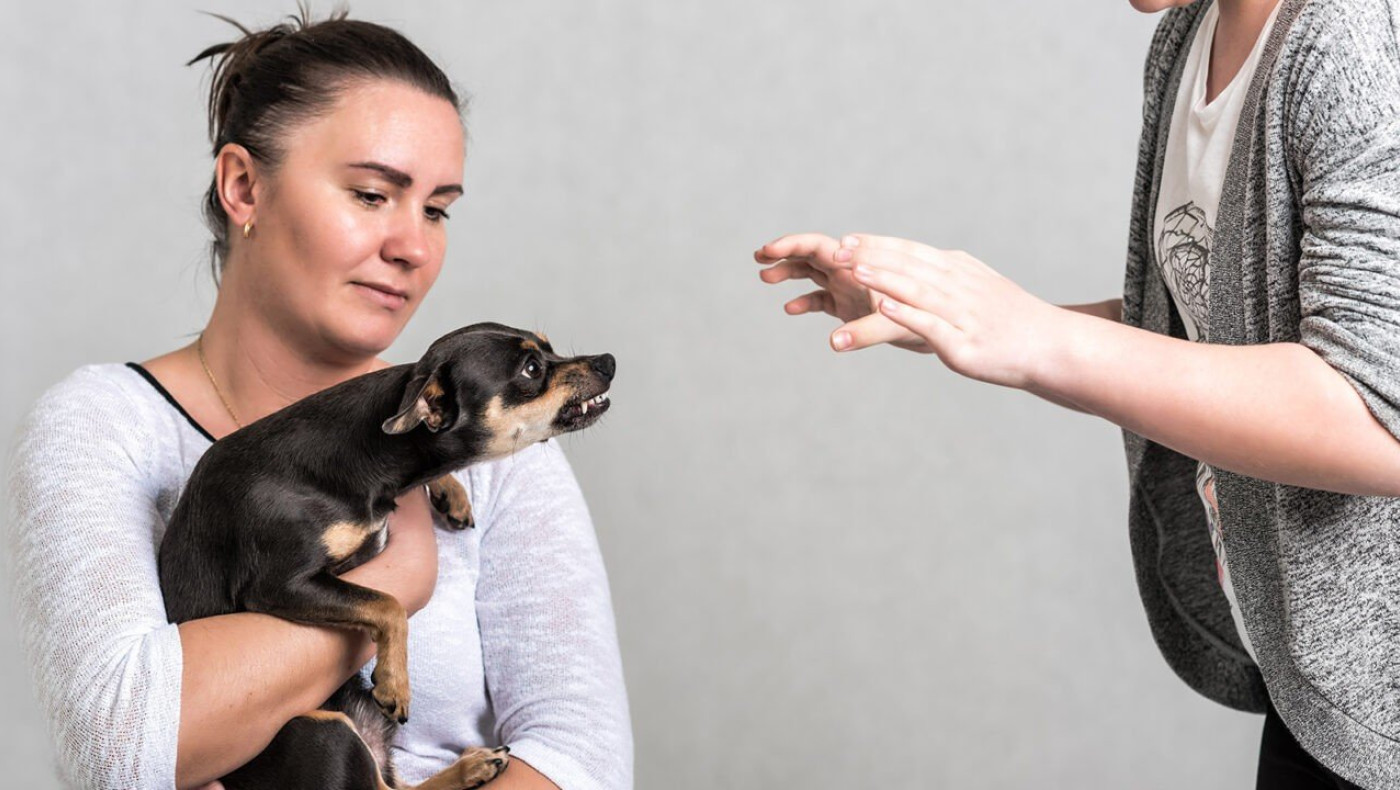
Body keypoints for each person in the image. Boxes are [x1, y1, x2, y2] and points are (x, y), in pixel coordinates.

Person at [754, 0, 1400, 787]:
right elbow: (1207, 330)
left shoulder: (1352, 37)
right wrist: (949, 319)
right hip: (1323, 698)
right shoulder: (1185, 40)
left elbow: (1378, 419)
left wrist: (1036, 337)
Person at [6, 11, 631, 790]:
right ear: (244, 187)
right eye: (371, 194)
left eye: (437, 209)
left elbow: (582, 759)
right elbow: (120, 752)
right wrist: (398, 579)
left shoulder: (489, 429)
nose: (413, 246)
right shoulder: (106, 426)